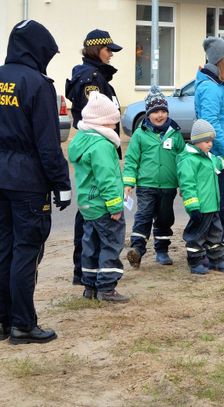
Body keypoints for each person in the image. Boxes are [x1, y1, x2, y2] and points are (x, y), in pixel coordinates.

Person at [0, 20, 71, 344]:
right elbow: (47, 144)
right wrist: (61, 184)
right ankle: (23, 324)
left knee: (4, 249)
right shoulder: (39, 85)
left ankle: (3, 320)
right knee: (27, 250)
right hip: (28, 181)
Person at [65, 29, 122, 286]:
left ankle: (90, 273)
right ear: (95, 50)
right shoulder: (91, 78)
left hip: (98, 147)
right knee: (91, 222)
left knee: (90, 220)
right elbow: (92, 113)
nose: (111, 54)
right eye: (108, 49)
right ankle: (86, 273)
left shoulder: (98, 75)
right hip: (96, 150)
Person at [67, 91, 128, 302]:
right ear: (102, 122)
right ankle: (107, 288)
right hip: (103, 206)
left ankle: (90, 286)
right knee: (111, 244)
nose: (114, 127)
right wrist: (115, 206)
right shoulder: (101, 146)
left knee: (90, 246)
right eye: (112, 123)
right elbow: (107, 179)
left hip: (87, 206)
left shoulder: (82, 141)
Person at [124, 86, 185, 268]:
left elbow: (183, 161)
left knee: (165, 218)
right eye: (155, 111)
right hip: (146, 185)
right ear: (148, 113)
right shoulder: (140, 134)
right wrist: (128, 182)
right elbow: (131, 160)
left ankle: (162, 250)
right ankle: (137, 249)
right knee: (143, 215)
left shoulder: (175, 134)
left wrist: (183, 183)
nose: (159, 115)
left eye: (163, 111)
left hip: (168, 186)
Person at [195, 37, 224, 262]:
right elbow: (211, 124)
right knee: (218, 203)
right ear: (219, 60)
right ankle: (215, 249)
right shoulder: (211, 88)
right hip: (220, 156)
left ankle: (219, 246)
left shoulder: (220, 86)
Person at [177, 119, 224, 275]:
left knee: (216, 234)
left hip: (213, 206)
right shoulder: (189, 160)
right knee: (197, 237)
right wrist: (193, 206)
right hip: (200, 207)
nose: (210, 144)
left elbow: (218, 163)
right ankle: (195, 262)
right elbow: (187, 186)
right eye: (206, 141)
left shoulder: (208, 157)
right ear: (197, 141)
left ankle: (216, 260)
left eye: (211, 141)